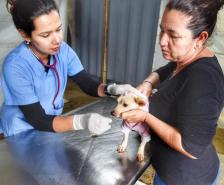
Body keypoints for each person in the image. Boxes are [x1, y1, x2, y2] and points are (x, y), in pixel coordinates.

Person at [121, 0, 224, 184]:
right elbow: (168, 69)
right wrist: (148, 81)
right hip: (167, 170)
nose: (162, 41)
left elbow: (191, 148)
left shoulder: (204, 82)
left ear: (200, 38)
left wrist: (145, 118)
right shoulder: (187, 58)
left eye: (173, 35)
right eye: (162, 30)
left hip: (186, 178)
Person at [0, 0, 138, 137]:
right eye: (45, 35)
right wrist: (81, 121)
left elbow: (87, 83)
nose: (57, 40)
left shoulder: (63, 50)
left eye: (59, 29)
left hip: (53, 123)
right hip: (22, 132)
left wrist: (111, 89)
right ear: (24, 34)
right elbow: (39, 120)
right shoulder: (15, 66)